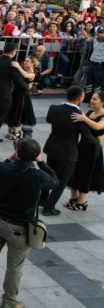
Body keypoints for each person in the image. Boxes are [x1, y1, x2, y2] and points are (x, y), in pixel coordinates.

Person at [0, 138, 59, 308]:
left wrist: (9, 159)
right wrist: (42, 162)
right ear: (35, 156)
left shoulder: (3, 168)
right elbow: (54, 182)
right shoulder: (37, 176)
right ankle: (8, 302)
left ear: (17, 153)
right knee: (15, 266)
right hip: (20, 228)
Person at [43, 85, 96, 216]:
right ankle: (49, 207)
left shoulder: (54, 108)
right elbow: (88, 138)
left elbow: (49, 119)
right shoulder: (78, 116)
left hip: (52, 147)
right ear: (79, 98)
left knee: (48, 175)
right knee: (62, 180)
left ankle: (42, 200)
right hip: (67, 153)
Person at [68, 91, 104, 210]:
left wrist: (84, 118)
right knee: (75, 172)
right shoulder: (89, 113)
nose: (91, 101)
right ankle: (74, 198)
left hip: (93, 150)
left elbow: (98, 126)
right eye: (92, 98)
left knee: (86, 175)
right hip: (81, 146)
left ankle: (82, 202)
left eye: (95, 99)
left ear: (102, 102)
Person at [5, 57, 37, 140]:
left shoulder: (32, 74)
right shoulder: (22, 70)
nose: (25, 62)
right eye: (25, 60)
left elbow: (25, 75)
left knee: (17, 113)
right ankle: (10, 131)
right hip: (15, 93)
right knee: (11, 111)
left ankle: (16, 132)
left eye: (27, 61)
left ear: (32, 63)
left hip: (22, 96)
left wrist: (18, 66)